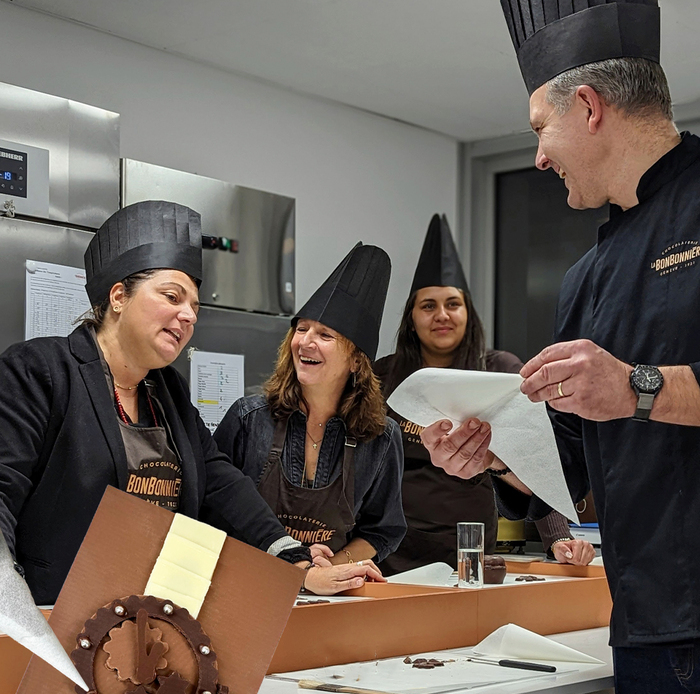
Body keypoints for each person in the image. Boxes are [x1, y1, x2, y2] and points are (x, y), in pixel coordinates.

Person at [422, 0, 700, 694]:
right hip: (648, 633)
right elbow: (575, 469)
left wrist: (641, 388)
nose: (538, 158)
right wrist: (495, 454)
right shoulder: (585, 278)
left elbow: (632, 393)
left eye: (540, 128)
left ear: (588, 107)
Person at [0, 200, 381, 604]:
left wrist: (296, 562)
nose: (189, 316)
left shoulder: (167, 390)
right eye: (172, 296)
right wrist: (8, 594)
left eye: (195, 307)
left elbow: (221, 484)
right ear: (118, 296)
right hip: (54, 611)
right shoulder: (40, 370)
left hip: (155, 613)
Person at [374, 214, 593, 574]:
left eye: (452, 304)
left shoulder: (499, 370)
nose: (441, 315)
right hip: (388, 552)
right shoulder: (382, 376)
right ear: (411, 318)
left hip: (469, 549)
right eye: (428, 306)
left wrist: (557, 538)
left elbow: (533, 456)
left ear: (468, 313)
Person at [214, 242, 406, 569]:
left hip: (329, 590)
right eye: (301, 329)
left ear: (356, 361)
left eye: (325, 335)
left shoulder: (381, 438)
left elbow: (382, 530)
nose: (305, 341)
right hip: (249, 580)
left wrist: (331, 567)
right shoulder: (248, 419)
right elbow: (212, 508)